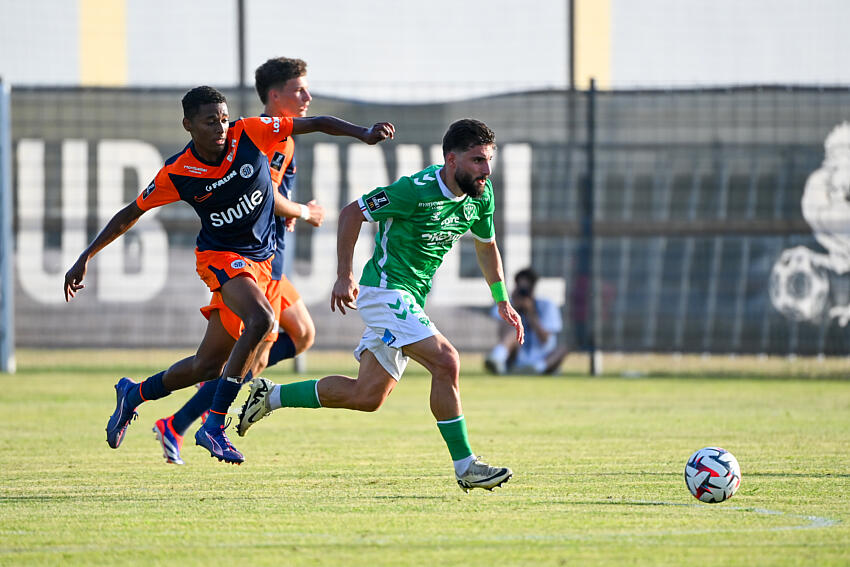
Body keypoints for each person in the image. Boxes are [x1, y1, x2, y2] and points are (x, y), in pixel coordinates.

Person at [63, 85, 394, 465]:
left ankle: (134, 393)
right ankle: (214, 426)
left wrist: (364, 133)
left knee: (208, 365)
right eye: (210, 122)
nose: (221, 127)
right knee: (262, 320)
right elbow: (130, 213)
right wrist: (86, 255)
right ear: (188, 125)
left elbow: (316, 122)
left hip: (262, 261)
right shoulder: (178, 172)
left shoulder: (251, 131)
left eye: (223, 118)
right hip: (220, 258)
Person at [237, 119, 525, 492]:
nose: (486, 170)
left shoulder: (481, 194)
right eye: (477, 161)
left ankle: (271, 395)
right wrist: (345, 275)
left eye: (488, 160)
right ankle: (466, 465)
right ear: (451, 160)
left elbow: (486, 246)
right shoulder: (414, 190)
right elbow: (351, 212)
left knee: (368, 395)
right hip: (385, 293)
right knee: (447, 361)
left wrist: (501, 300)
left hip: (410, 297)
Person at [151, 57, 325, 465]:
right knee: (250, 356)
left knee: (301, 335)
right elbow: (271, 196)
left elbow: (269, 195)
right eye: (298, 90)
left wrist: (289, 214)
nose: (307, 98)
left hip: (271, 254)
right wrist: (301, 211)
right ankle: (182, 422)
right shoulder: (255, 137)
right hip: (253, 261)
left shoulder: (286, 139)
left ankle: (191, 412)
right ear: (274, 95)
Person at [484, 267, 568, 375]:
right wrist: (512, 309)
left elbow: (545, 338)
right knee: (514, 332)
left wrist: (531, 313)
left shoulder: (547, 306)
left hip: (542, 356)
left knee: (562, 349)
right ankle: (497, 359)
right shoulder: (510, 305)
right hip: (517, 355)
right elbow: (501, 331)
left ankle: (536, 369)